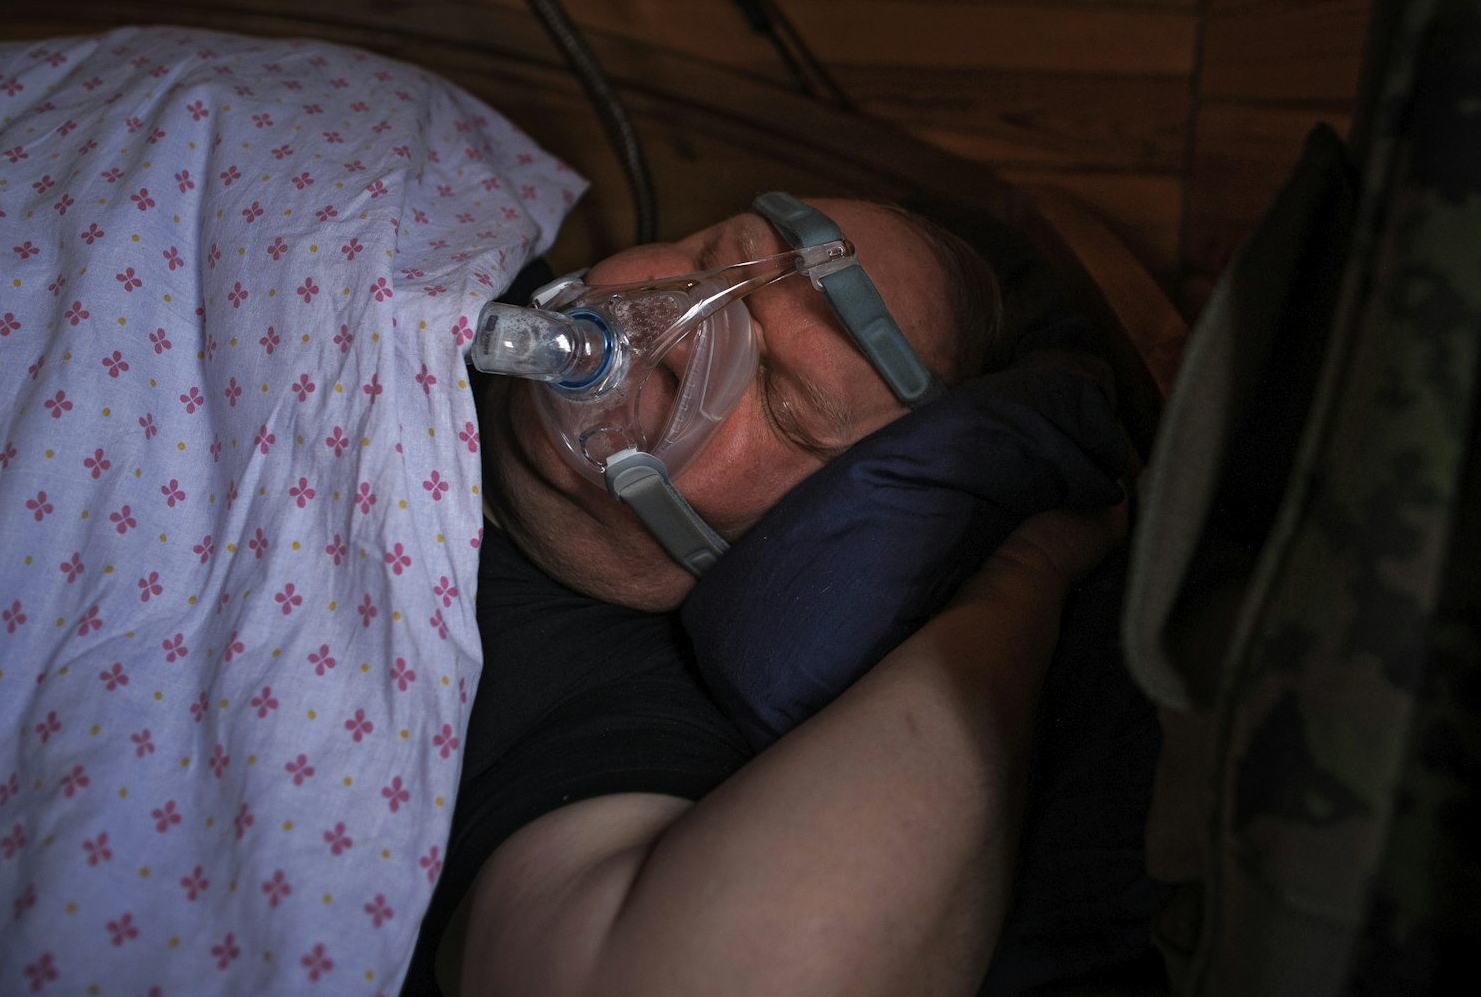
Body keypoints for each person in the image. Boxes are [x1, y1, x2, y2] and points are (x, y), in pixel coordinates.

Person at [407, 196, 1127, 996]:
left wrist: (1025, 582)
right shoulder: (429, 230)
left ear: (804, 524)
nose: (680, 332)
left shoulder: (614, 715)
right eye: (712, 256)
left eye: (782, 401)